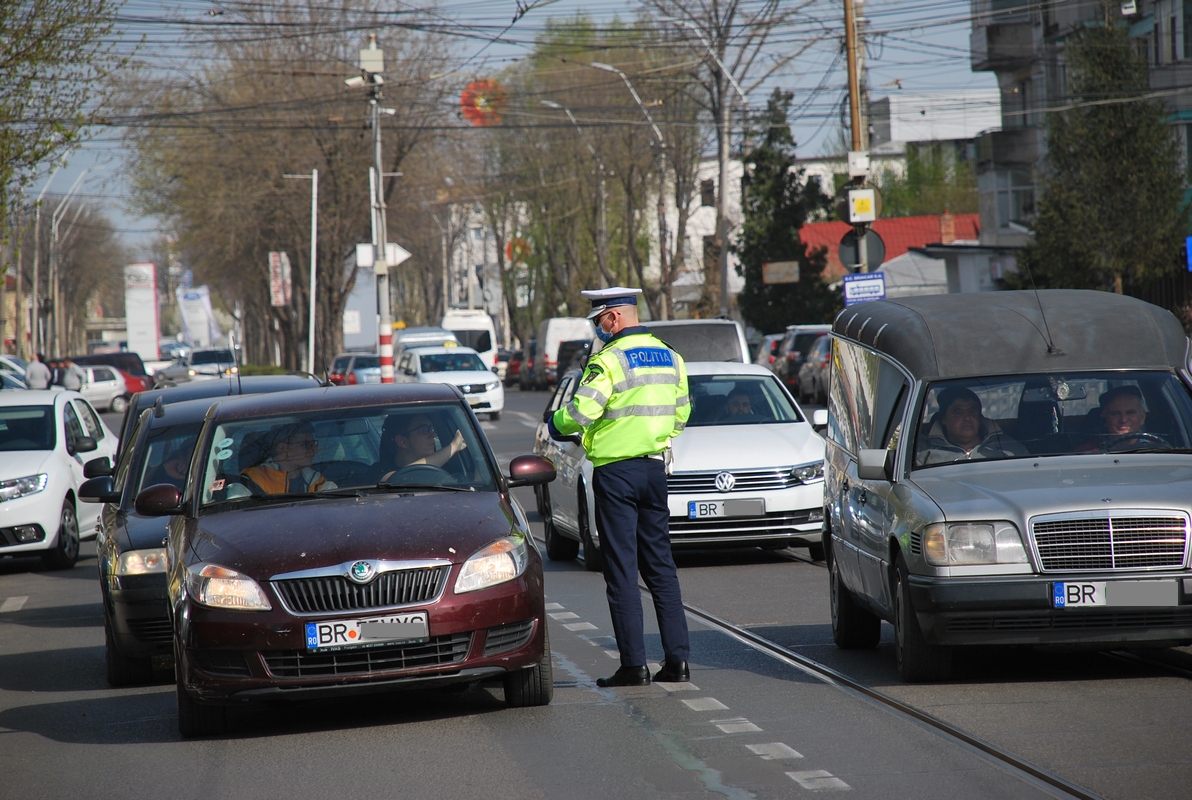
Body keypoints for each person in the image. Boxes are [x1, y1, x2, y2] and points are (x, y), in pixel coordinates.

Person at [549, 286, 692, 687]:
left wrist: (555, 423)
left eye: (599, 320)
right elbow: (682, 414)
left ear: (614, 317)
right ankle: (678, 662)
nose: (598, 328)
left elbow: (582, 411)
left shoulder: (608, 360)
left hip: (616, 473)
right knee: (661, 566)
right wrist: (654, 437)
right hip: (654, 470)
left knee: (622, 570)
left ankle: (634, 666)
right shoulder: (671, 356)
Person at [916, 386, 1028, 466]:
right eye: (958, 412)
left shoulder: (1010, 449)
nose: (967, 418)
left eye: (972, 411)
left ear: (979, 417)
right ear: (944, 419)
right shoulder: (922, 454)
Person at [240, 422, 337, 494]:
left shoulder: (318, 481)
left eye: (314, 444)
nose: (316, 451)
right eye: (307, 445)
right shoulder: (252, 481)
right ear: (283, 449)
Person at [374, 413, 467, 481]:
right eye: (424, 429)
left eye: (431, 428)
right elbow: (399, 479)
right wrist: (453, 447)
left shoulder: (448, 470)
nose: (433, 434)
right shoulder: (379, 471)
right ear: (402, 441)